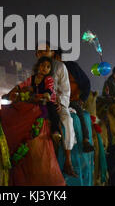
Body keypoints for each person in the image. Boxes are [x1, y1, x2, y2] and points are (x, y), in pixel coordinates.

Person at [36, 41, 78, 177]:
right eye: (40, 51)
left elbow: (66, 90)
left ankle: (68, 160)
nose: (43, 53)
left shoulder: (60, 67)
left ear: (52, 52)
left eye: (46, 50)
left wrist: (60, 102)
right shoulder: (36, 68)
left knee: (67, 121)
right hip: (38, 102)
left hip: (56, 103)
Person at [9, 56, 62, 142]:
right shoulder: (33, 78)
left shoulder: (49, 79)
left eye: (48, 67)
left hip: (48, 101)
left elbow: (49, 88)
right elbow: (22, 85)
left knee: (53, 113)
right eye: (43, 65)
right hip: (35, 100)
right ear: (38, 66)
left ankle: (55, 131)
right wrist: (10, 93)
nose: (45, 68)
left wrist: (47, 94)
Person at [55, 49, 94, 153]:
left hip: (71, 99)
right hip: (54, 100)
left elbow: (86, 82)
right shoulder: (48, 69)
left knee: (80, 113)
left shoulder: (72, 67)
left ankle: (86, 139)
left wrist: (82, 99)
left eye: (56, 57)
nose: (54, 60)